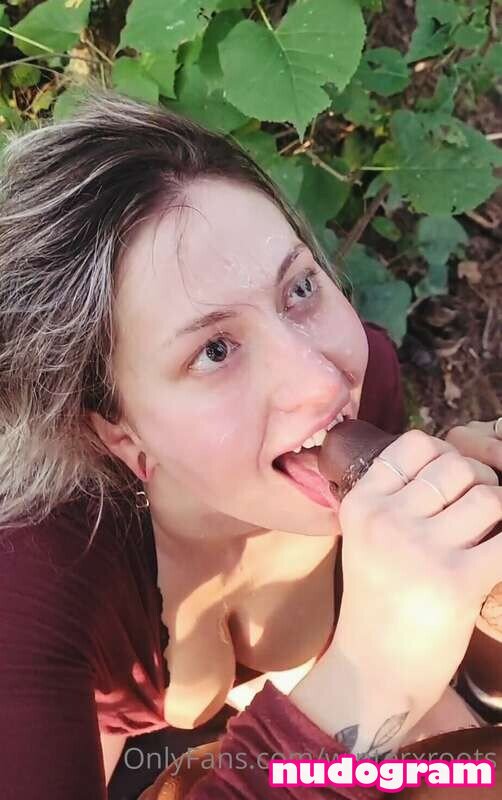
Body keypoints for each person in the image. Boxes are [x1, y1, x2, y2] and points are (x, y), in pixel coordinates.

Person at [0, 92, 501, 800]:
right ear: (119, 431)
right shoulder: (27, 576)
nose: (323, 380)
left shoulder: (373, 384)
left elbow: (485, 686)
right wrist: (371, 686)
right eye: (215, 350)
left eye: (299, 288)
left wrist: (478, 578)